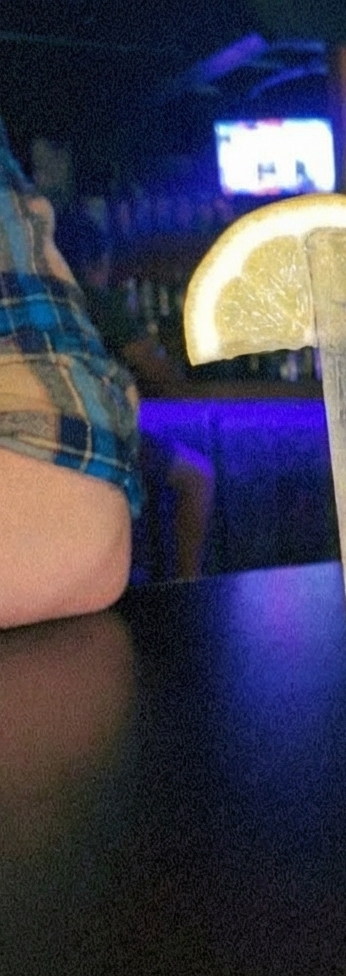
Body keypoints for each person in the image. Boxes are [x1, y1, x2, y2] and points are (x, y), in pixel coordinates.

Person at [0, 116, 142, 628]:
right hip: (104, 448)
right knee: (197, 473)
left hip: (76, 458)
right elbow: (162, 373)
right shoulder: (107, 304)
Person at [54, 209, 214, 579]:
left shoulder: (51, 304)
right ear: (99, 259)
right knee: (198, 477)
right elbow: (163, 376)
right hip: (97, 436)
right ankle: (186, 585)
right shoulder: (95, 301)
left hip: (50, 436)